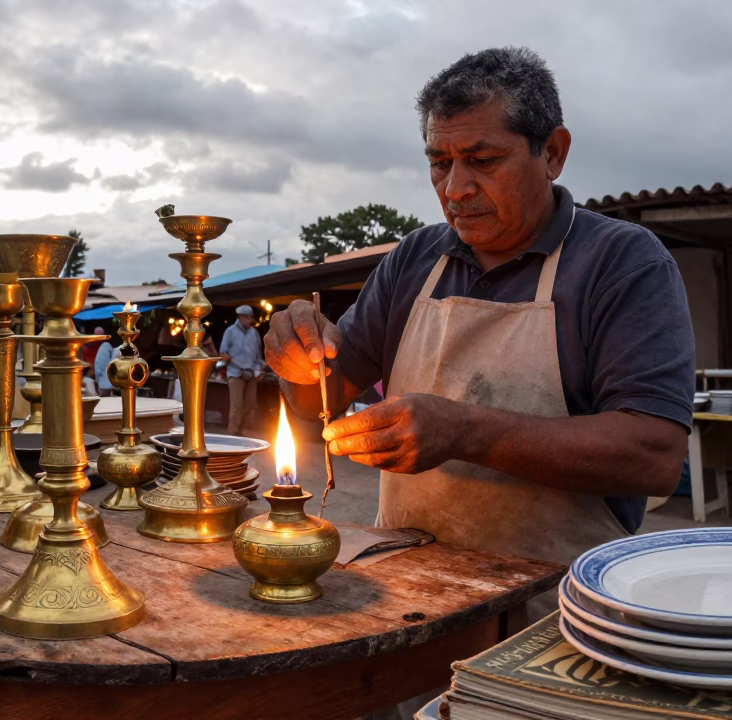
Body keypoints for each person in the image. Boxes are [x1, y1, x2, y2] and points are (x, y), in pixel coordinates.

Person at [265, 48, 693, 612]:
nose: (455, 188)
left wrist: (468, 433)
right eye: (440, 162)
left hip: (559, 608)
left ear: (554, 152)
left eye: (483, 160)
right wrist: (297, 357)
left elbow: (653, 456)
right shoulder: (415, 258)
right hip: (403, 594)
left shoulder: (621, 262)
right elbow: (321, 397)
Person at [220, 305, 264, 436]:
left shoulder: (254, 333)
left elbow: (258, 356)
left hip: (251, 372)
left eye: (250, 317)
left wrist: (259, 370)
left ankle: (242, 430)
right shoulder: (230, 331)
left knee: (249, 405)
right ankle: (233, 432)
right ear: (239, 317)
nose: (249, 319)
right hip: (235, 373)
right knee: (236, 405)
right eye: (246, 317)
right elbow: (223, 352)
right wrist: (230, 361)